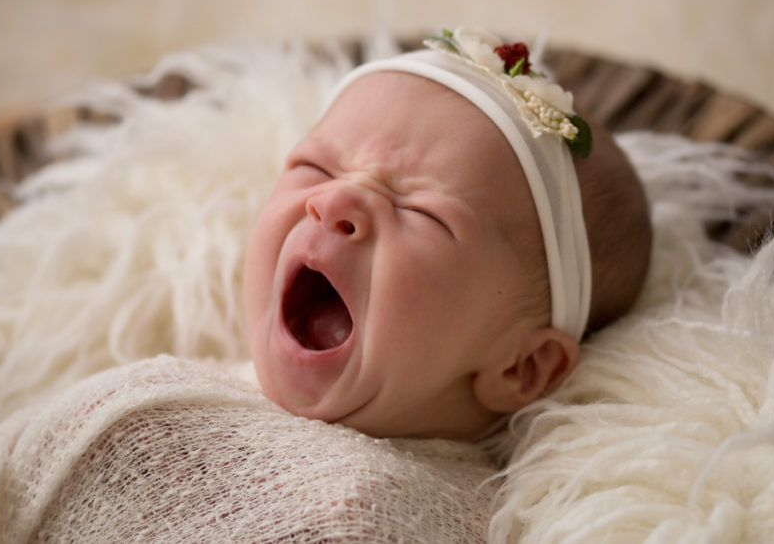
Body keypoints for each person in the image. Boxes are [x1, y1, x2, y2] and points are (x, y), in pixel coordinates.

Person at [243, 27, 652, 440]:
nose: (333, 203)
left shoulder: (444, 500)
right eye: (316, 168)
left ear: (522, 368)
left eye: (423, 214)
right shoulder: (194, 374)